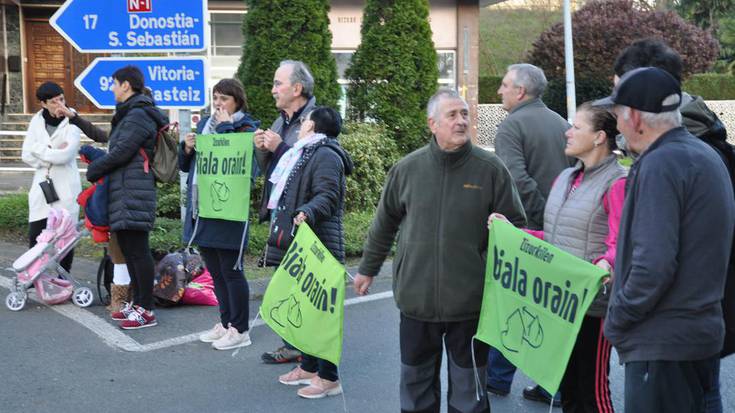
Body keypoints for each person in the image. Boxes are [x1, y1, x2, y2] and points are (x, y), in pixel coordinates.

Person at [354, 89, 527, 413]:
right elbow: (384, 224)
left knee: (468, 393)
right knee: (416, 389)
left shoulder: (490, 168)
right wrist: (367, 268)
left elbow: (518, 225)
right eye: (452, 115)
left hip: (470, 303)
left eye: (464, 114)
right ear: (432, 123)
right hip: (416, 301)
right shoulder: (407, 170)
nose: (461, 121)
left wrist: (507, 227)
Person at [598, 67, 735, 412]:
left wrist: (618, 317)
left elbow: (653, 265)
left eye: (616, 114)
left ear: (633, 117)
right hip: (699, 335)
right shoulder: (704, 154)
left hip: (662, 343)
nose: (616, 124)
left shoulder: (661, 164)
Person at [491, 102, 624, 412]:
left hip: (592, 306)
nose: (568, 132)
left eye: (577, 127)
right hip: (559, 305)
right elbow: (553, 239)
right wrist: (513, 232)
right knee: (568, 392)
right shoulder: (564, 178)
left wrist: (608, 262)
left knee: (592, 393)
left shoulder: (617, 183)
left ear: (599, 137)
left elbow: (622, 241)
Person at [490, 63, 570, 405]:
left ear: (520, 91)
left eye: (505, 85)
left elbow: (515, 180)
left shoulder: (511, 126)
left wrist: (542, 217)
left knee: (511, 301)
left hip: (526, 230)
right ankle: (552, 382)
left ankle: (496, 379)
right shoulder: (562, 123)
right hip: (562, 233)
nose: (499, 91)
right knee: (551, 308)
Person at [267, 106, 352, 398]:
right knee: (304, 309)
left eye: (304, 120)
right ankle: (308, 366)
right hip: (304, 243)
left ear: (313, 126)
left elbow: (328, 195)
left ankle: (329, 378)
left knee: (321, 316)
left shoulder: (326, 155)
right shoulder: (305, 152)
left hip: (321, 245)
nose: (301, 124)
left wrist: (306, 211)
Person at [85, 65, 169, 330]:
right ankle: (138, 304)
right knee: (132, 251)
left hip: (135, 191)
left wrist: (95, 168)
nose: (112, 89)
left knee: (138, 251)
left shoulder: (138, 114)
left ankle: (146, 310)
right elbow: (118, 148)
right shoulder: (129, 114)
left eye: (114, 84)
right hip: (126, 191)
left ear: (126, 85)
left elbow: (121, 151)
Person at [179, 79, 260, 350]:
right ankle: (226, 324)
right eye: (215, 97)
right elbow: (186, 167)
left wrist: (226, 127)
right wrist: (187, 149)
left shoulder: (248, 127)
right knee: (215, 270)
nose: (218, 104)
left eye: (224, 98)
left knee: (231, 270)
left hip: (230, 210)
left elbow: (244, 163)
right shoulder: (204, 125)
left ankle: (241, 329)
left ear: (237, 100)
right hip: (204, 207)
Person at [254, 60, 317, 364]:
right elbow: (274, 171)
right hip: (282, 217)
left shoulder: (316, 120)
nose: (273, 90)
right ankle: (292, 345)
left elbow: (310, 168)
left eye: (278, 84)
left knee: (304, 288)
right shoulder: (282, 121)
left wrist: (278, 148)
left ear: (297, 88)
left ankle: (311, 356)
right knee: (286, 285)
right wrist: (263, 149)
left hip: (304, 219)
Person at [56, 101, 132, 315]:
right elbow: (101, 136)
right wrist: (74, 117)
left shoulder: (136, 129)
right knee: (119, 252)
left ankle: (133, 302)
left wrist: (96, 168)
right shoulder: (125, 128)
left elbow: (111, 154)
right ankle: (122, 299)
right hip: (117, 199)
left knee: (128, 253)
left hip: (127, 199)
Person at [21, 82, 82, 272]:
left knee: (66, 236)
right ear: (44, 104)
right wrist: (51, 153)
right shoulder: (36, 121)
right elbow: (26, 154)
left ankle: (64, 278)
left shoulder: (72, 121)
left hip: (66, 187)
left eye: (62, 99)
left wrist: (40, 151)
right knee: (36, 234)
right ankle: (32, 277)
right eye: (54, 102)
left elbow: (66, 155)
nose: (60, 105)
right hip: (42, 188)